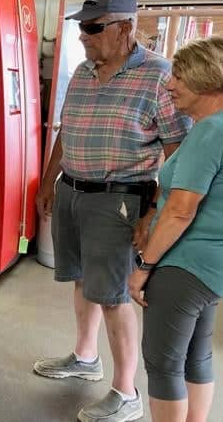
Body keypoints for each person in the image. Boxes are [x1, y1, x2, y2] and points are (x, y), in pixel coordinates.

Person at [33, 0, 191, 422]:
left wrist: (156, 211)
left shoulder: (160, 76)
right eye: (81, 27)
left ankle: (126, 392)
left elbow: (180, 151)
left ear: (126, 28)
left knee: (115, 295)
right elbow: (67, 129)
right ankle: (85, 358)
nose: (83, 35)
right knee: (83, 280)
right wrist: (49, 181)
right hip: (73, 189)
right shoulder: (84, 72)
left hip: (119, 199)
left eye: (94, 27)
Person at [128, 36, 223, 422]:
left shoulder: (209, 131)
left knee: (165, 364)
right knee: (196, 356)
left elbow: (182, 210)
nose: (169, 85)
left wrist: (144, 266)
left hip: (184, 264)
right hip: (212, 269)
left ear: (207, 78)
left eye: (178, 77)